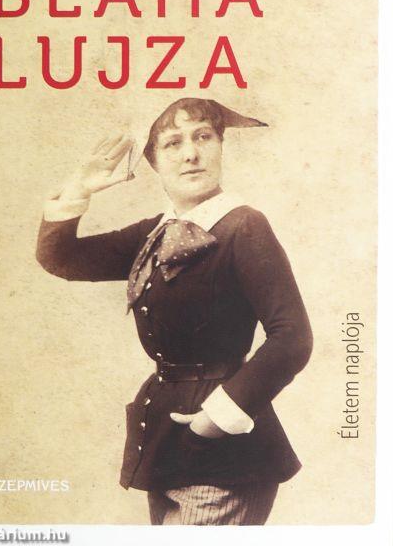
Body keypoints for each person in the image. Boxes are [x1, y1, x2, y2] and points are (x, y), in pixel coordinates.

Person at [36, 97, 313, 525]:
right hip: (165, 442)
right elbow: (62, 258)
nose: (191, 154)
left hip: (224, 452)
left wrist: (216, 418)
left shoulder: (243, 225)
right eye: (172, 143)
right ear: (153, 161)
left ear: (220, 145)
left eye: (203, 137)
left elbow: (292, 337)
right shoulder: (156, 232)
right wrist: (80, 188)